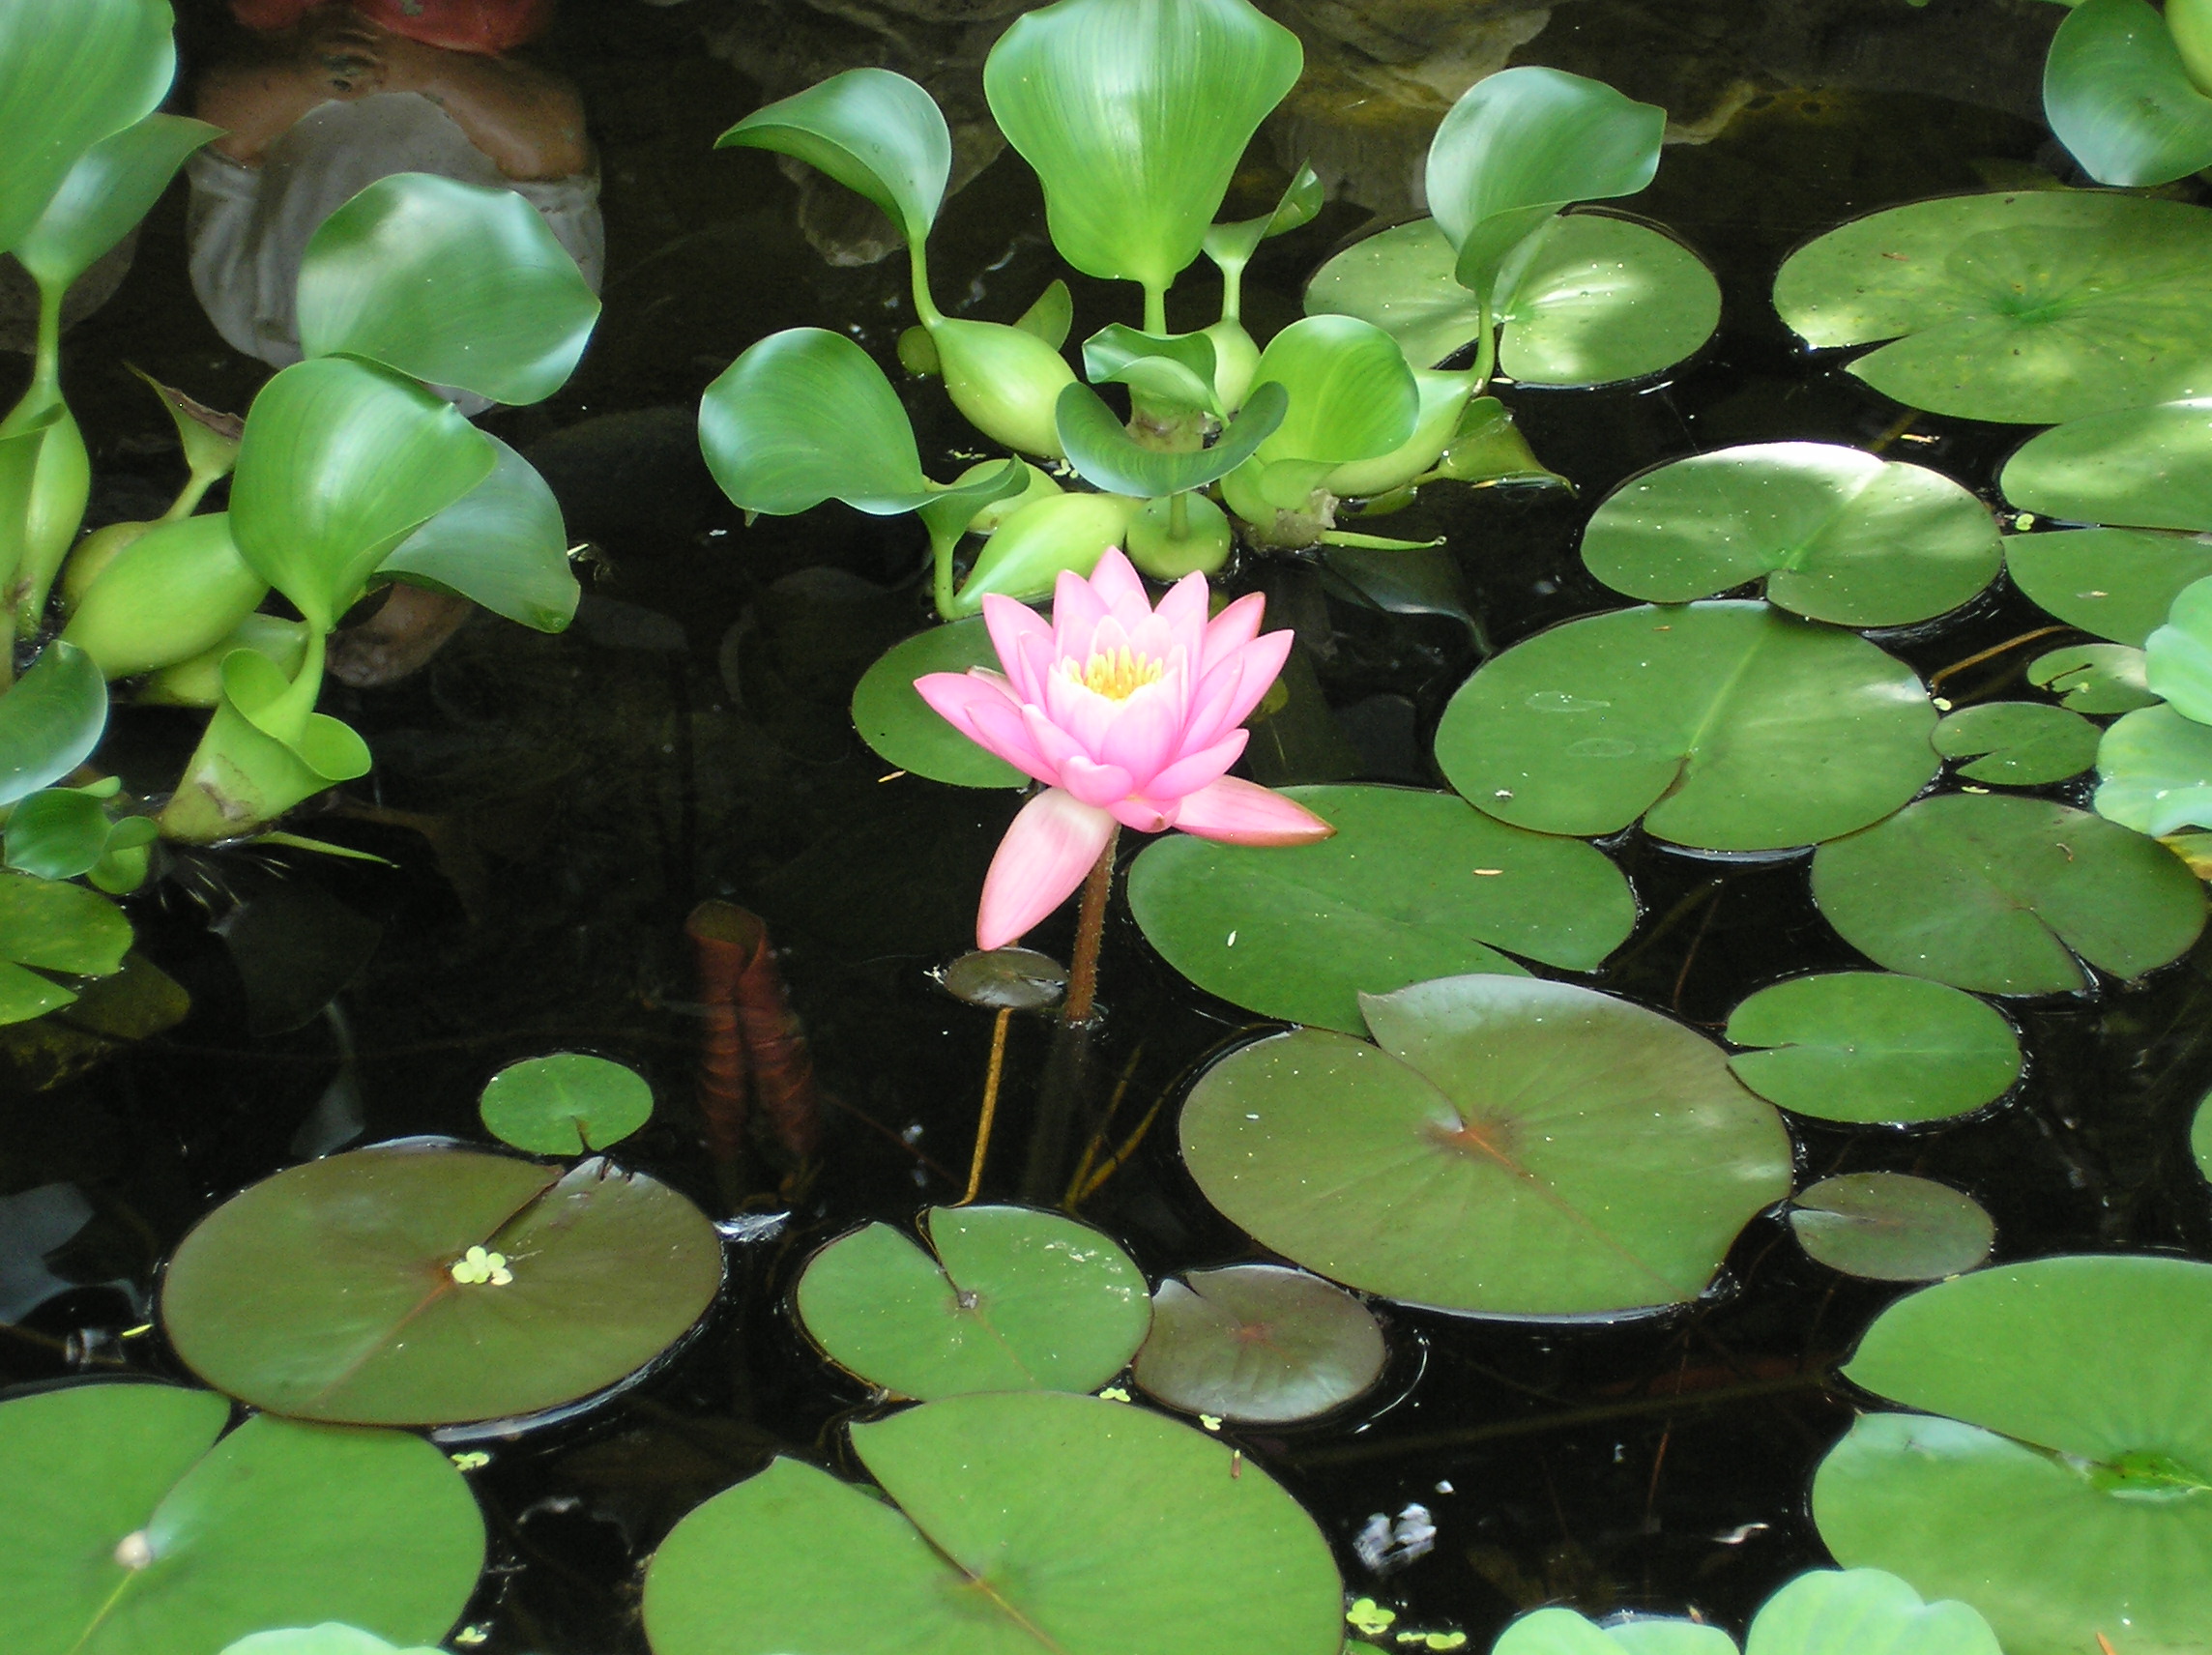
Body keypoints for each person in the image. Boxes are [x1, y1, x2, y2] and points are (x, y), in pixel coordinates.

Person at [189, 0, 603, 682]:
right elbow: (551, 141)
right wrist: (430, 70)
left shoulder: (249, 314)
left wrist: (300, 77)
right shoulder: (527, 343)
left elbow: (220, 131)